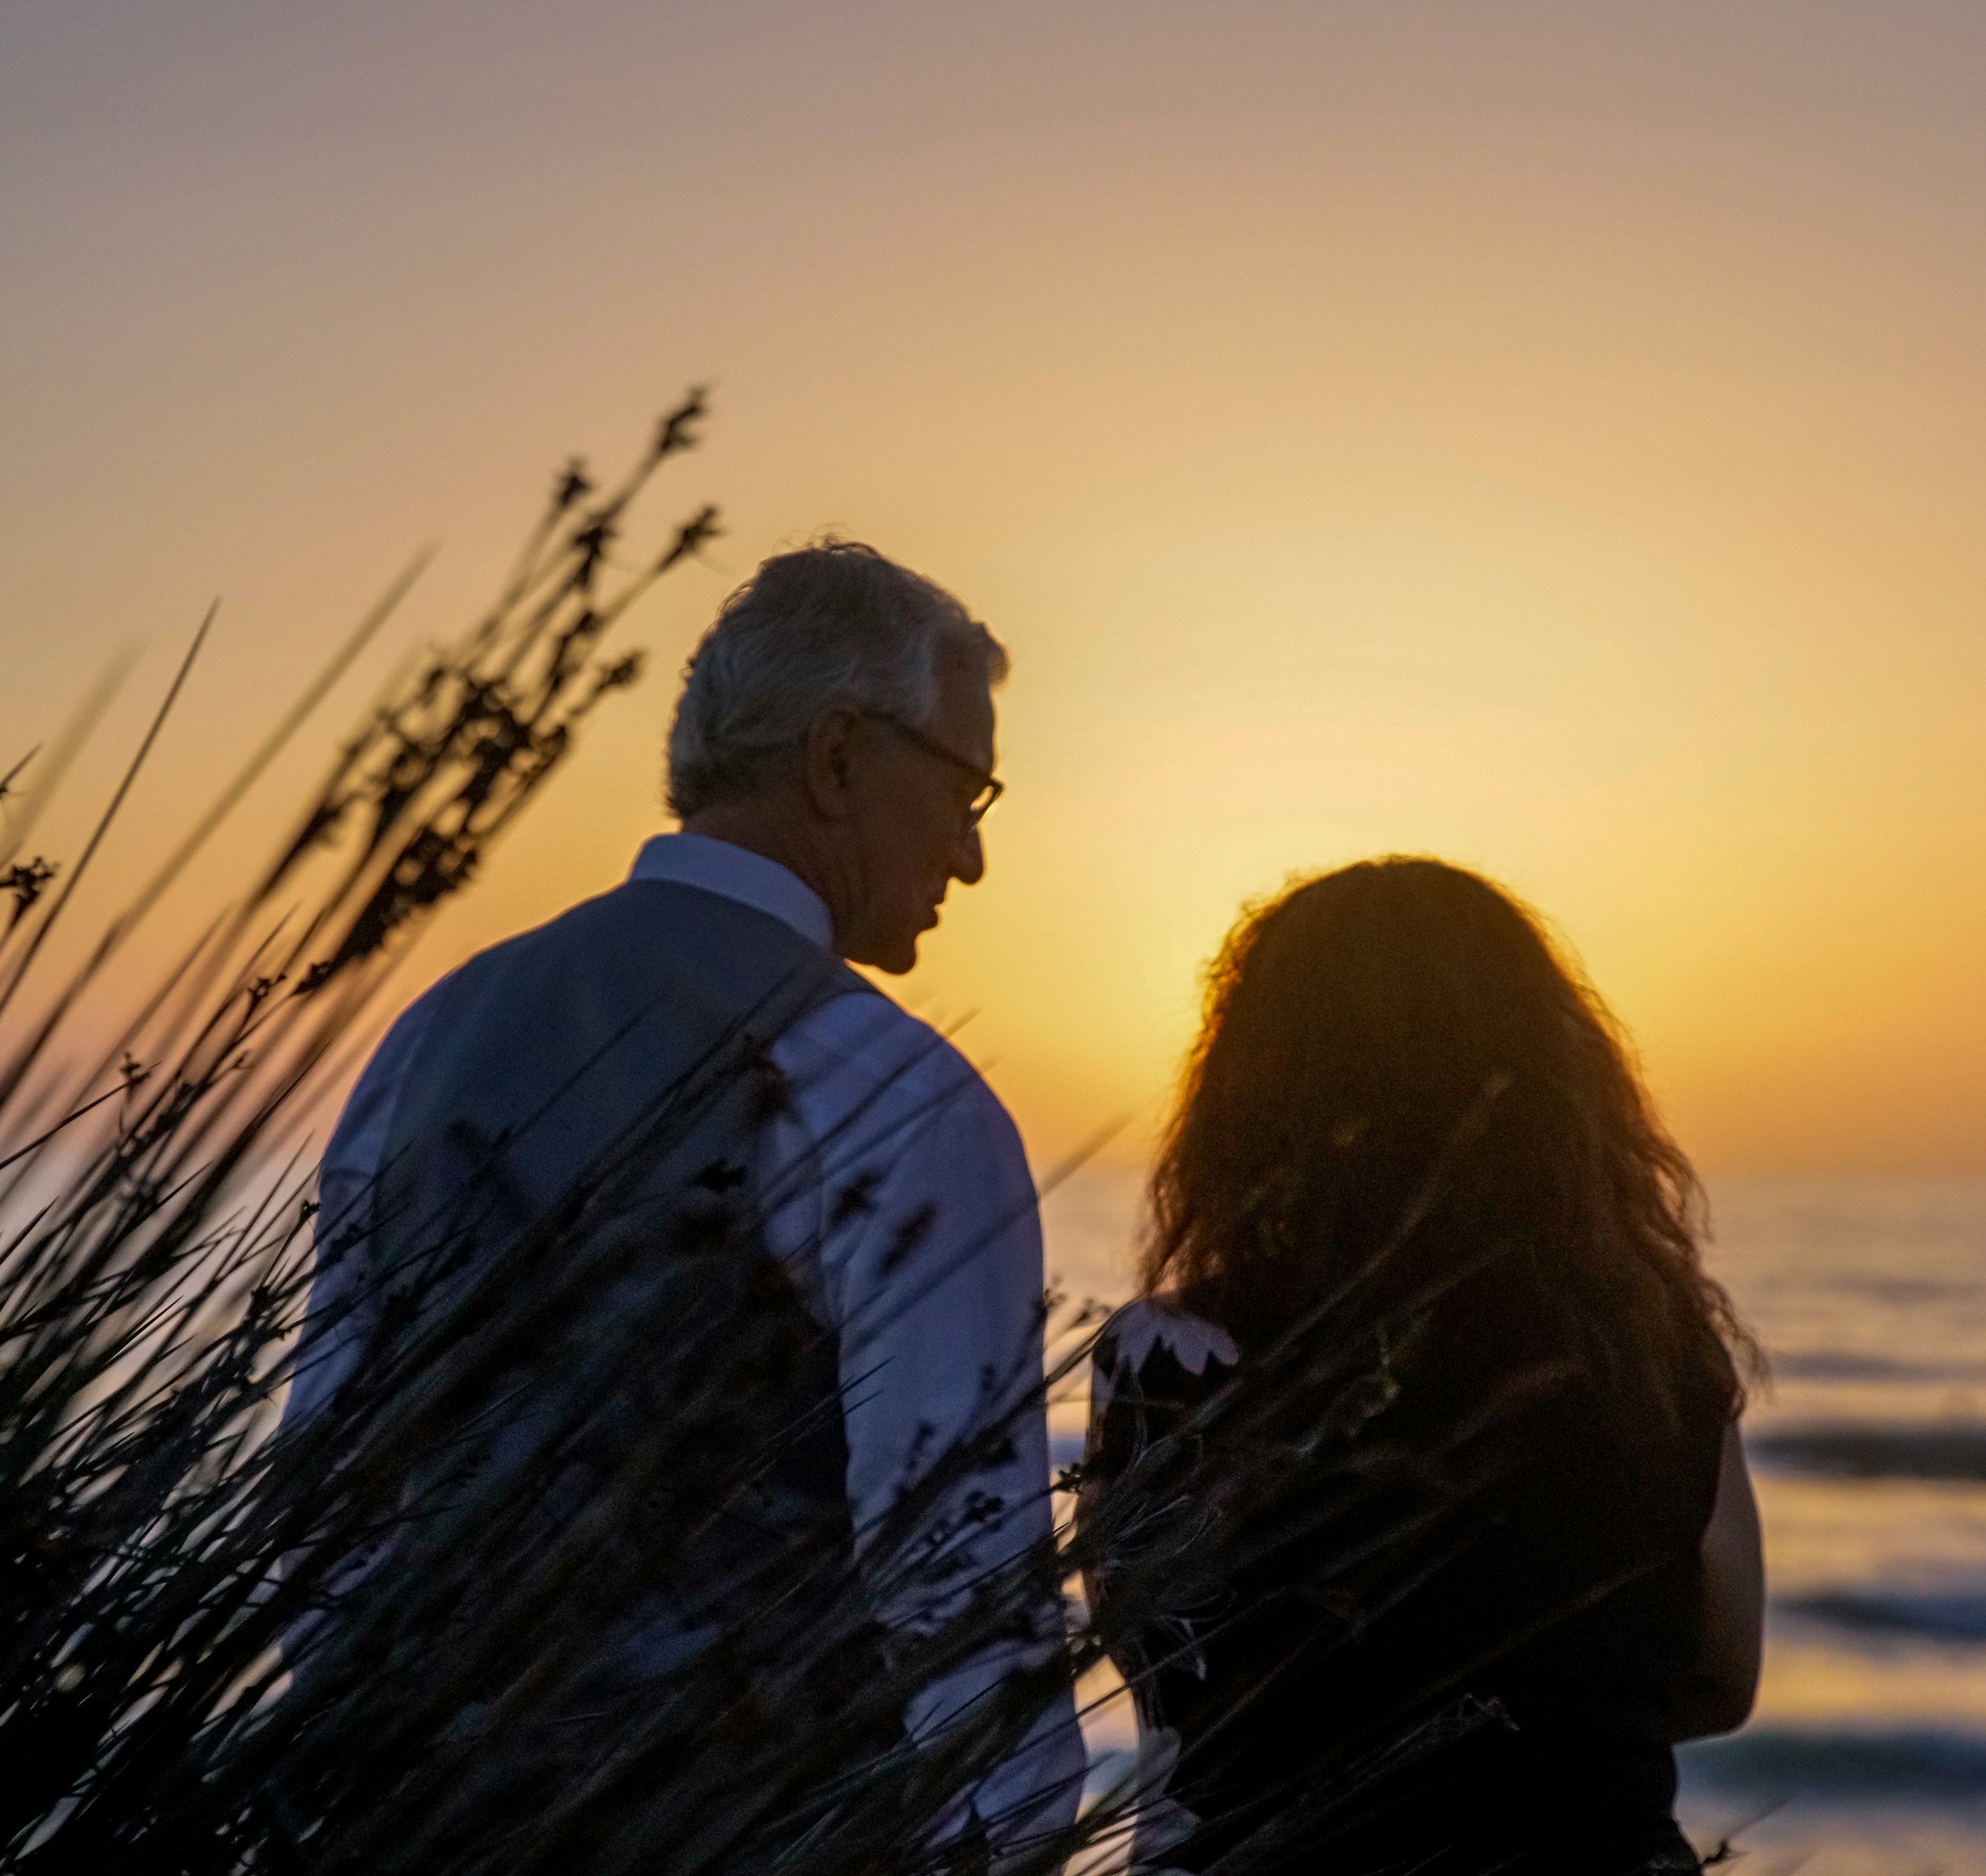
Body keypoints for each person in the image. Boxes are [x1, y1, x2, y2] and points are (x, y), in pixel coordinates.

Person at [292, 538, 1083, 1849]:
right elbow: (958, 1579)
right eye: (968, 792)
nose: (971, 856)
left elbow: (327, 1497)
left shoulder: (430, 1036)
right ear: (839, 757)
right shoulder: (892, 1092)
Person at [1085, 858, 1762, 1876]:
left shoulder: (1161, 1361)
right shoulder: (1647, 1352)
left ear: (1251, 1092)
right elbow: (1719, 1681)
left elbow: (1165, 1672)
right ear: (1555, 1089)